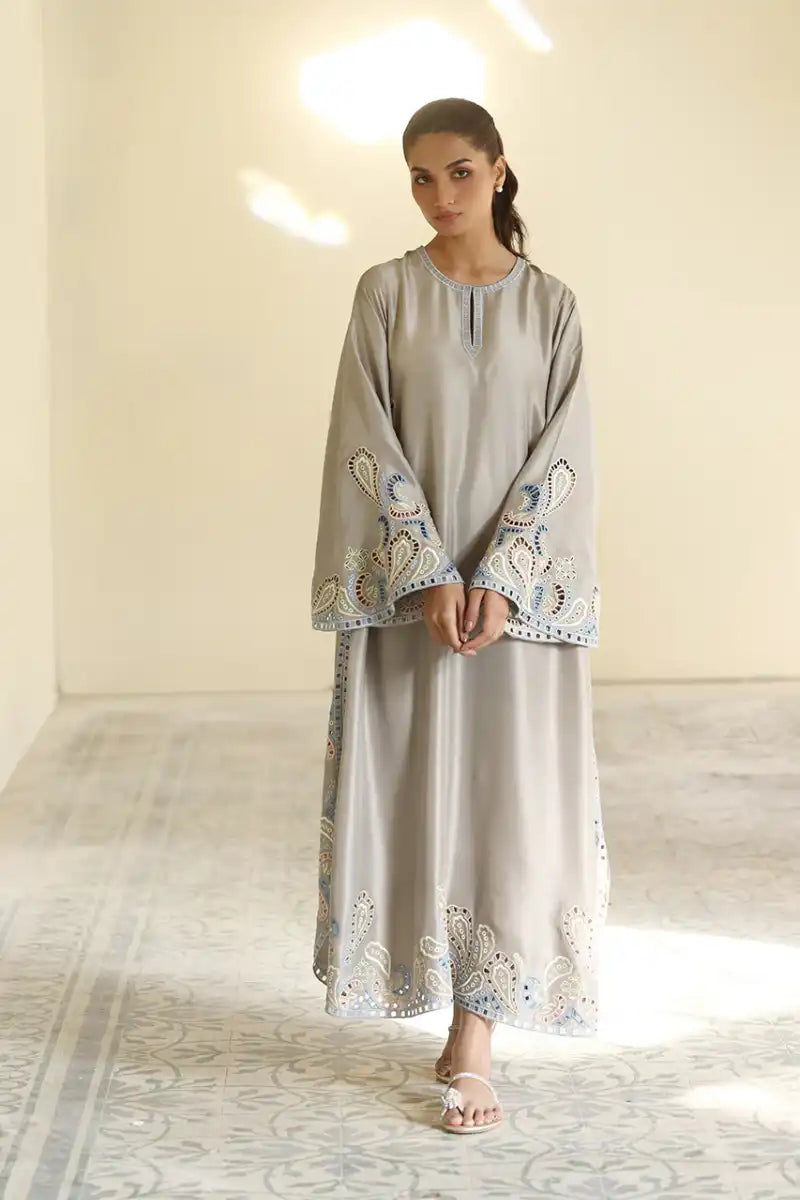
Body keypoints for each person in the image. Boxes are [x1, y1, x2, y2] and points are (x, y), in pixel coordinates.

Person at [309, 97, 610, 1134]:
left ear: (498, 171)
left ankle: (476, 1034)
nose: (440, 196)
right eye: (421, 178)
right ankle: (435, 1002)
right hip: (416, 603)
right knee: (415, 791)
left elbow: (565, 450)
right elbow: (364, 432)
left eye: (460, 173)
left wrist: (506, 574)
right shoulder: (384, 293)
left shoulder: (552, 306)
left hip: (514, 611)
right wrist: (428, 571)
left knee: (507, 804)